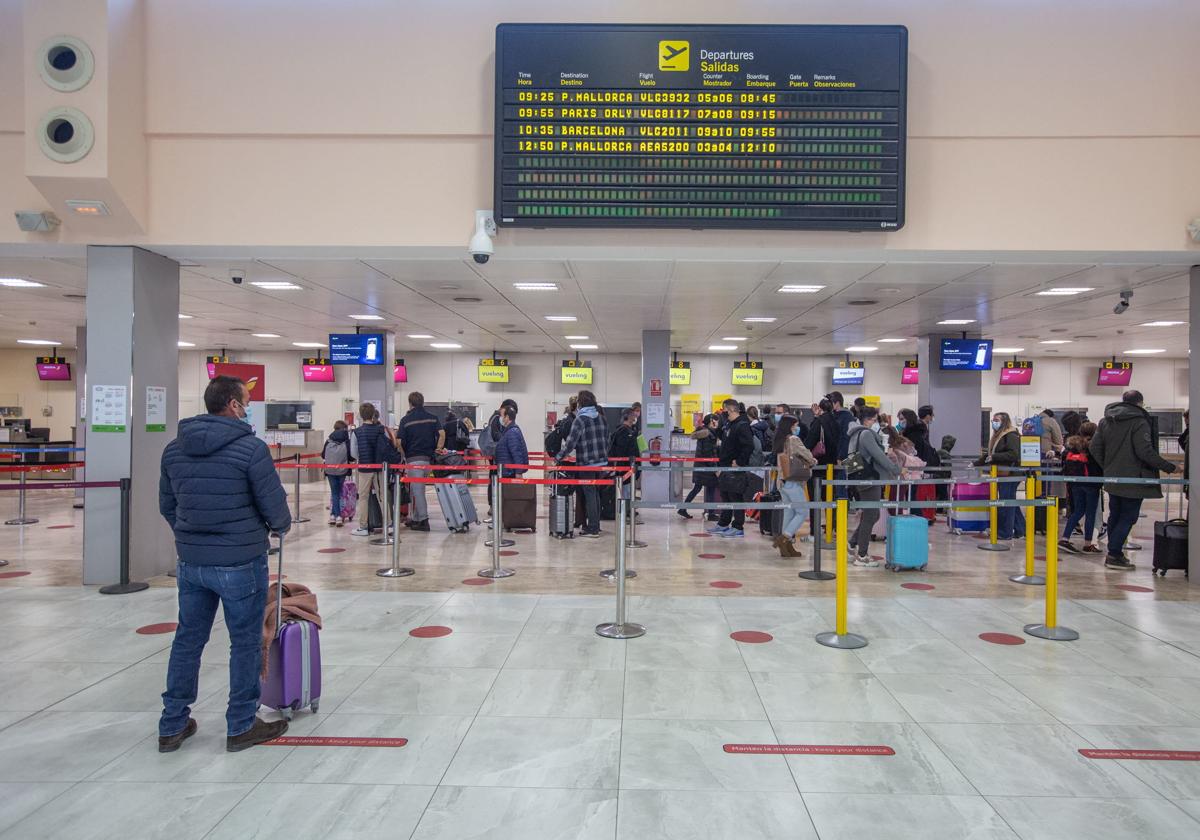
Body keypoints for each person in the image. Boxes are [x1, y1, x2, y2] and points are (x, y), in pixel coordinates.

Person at [157, 375, 291, 753]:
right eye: (245, 400)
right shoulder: (250, 449)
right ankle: (241, 724)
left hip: (192, 561)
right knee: (245, 642)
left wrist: (191, 536)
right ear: (232, 404)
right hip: (240, 560)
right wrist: (278, 527)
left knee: (188, 640)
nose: (247, 406)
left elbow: (167, 506)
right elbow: (274, 507)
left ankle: (172, 723)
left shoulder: (173, 450)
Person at [1090, 389, 1178, 570]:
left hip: (1113, 479)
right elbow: (1144, 451)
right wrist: (1170, 467)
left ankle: (1114, 551)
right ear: (1140, 403)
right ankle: (1114, 554)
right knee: (1128, 516)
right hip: (1135, 480)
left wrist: (1108, 466)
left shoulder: (1106, 420)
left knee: (1115, 514)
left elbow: (1094, 446)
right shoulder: (1139, 421)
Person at [846, 406, 901, 566]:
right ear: (868, 419)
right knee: (871, 515)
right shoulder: (866, 434)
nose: (877, 423)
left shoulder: (854, 433)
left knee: (872, 514)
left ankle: (852, 543)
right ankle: (862, 555)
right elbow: (879, 456)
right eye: (875, 419)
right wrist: (896, 469)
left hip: (860, 477)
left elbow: (851, 458)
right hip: (870, 478)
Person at [557, 389, 608, 537]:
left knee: (590, 493)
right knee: (596, 493)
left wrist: (558, 457)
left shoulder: (581, 420)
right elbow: (608, 439)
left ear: (581, 403)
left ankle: (592, 528)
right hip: (602, 463)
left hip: (587, 463)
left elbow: (570, 443)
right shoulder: (601, 418)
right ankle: (596, 525)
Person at [397, 391, 444, 531]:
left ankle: (423, 520)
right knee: (416, 490)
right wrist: (438, 449)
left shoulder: (405, 420)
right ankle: (416, 518)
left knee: (417, 491)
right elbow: (442, 434)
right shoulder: (432, 417)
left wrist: (404, 455)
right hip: (428, 460)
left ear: (410, 403)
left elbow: (399, 442)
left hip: (413, 459)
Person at [772, 414, 816, 557]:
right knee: (803, 512)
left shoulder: (779, 440)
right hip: (793, 480)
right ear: (790, 426)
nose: (797, 428)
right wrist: (813, 461)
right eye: (795, 425)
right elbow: (807, 455)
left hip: (782, 481)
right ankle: (784, 538)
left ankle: (787, 547)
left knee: (788, 513)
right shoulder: (793, 439)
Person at [976, 412, 1024, 541]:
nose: (993, 422)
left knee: (1006, 503)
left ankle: (1005, 532)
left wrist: (995, 457)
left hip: (1010, 473)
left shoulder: (1011, 435)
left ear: (1004, 421)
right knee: (1010, 501)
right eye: (993, 420)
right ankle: (1020, 529)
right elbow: (990, 455)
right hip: (1002, 472)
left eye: (996, 420)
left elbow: (1013, 454)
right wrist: (975, 463)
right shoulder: (998, 436)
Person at [712, 398, 756, 538]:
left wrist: (740, 462)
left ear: (730, 409)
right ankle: (724, 523)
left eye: (725, 410)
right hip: (725, 466)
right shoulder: (729, 424)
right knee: (725, 496)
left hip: (735, 468)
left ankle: (738, 526)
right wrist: (717, 428)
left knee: (735, 496)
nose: (723, 413)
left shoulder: (742, 425)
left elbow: (749, 445)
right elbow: (726, 439)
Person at [1059, 423, 1103, 554]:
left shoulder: (1073, 446)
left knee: (1077, 511)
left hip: (1075, 484)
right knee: (1090, 513)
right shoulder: (1094, 446)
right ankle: (1088, 543)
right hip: (1091, 484)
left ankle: (1065, 538)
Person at [805, 398, 842, 538]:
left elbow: (809, 443)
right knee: (830, 499)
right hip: (832, 466)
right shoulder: (836, 422)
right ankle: (831, 528)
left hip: (817, 466)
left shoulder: (819, 422)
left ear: (820, 408)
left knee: (815, 500)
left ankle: (814, 531)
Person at [350, 403, 387, 536]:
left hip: (364, 468)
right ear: (373, 414)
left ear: (360, 415)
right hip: (379, 467)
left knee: (363, 497)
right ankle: (388, 525)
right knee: (382, 496)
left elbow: (354, 453)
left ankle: (363, 527)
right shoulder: (380, 429)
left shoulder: (356, 432)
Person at [898, 407, 940, 522]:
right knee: (911, 496)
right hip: (910, 469)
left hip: (912, 470)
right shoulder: (915, 432)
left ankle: (919, 521)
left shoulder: (913, 435)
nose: (900, 421)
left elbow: (914, 454)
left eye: (902, 419)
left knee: (912, 496)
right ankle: (918, 521)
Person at [679, 413, 720, 521]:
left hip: (700, 466)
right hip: (706, 467)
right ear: (711, 421)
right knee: (710, 488)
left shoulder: (703, 432)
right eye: (716, 420)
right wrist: (715, 468)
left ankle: (683, 509)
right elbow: (708, 453)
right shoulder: (708, 434)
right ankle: (711, 513)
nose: (717, 423)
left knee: (697, 488)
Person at [322, 420, 352, 526]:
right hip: (342, 469)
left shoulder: (328, 440)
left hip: (330, 470)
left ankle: (333, 515)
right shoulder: (346, 441)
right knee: (339, 492)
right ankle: (338, 516)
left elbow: (322, 455)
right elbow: (351, 456)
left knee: (334, 492)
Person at [494, 404, 529, 477]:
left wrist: (518, 473)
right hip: (507, 471)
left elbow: (517, 454)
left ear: (507, 417)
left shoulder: (512, 432)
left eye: (502, 416)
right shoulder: (508, 431)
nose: (500, 418)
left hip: (510, 473)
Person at [828, 392, 855, 461]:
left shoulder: (847, 417)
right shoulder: (832, 415)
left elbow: (846, 438)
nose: (828, 405)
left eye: (830, 403)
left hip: (843, 457)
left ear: (837, 403)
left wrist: (841, 456)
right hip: (833, 455)